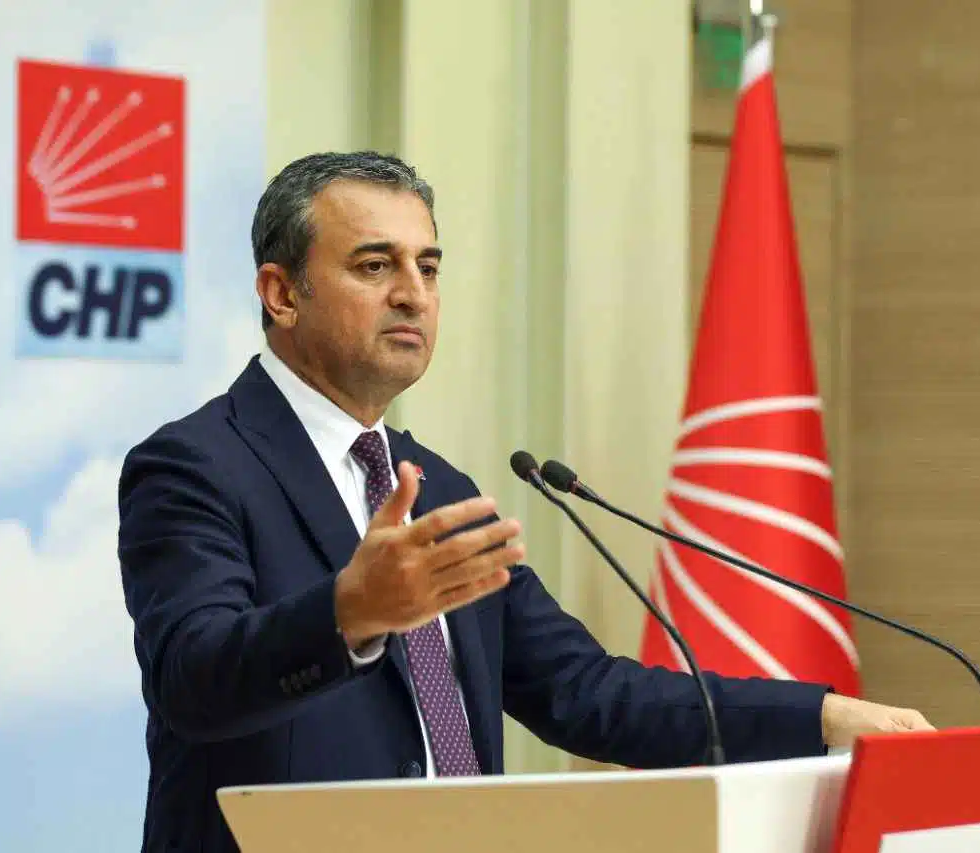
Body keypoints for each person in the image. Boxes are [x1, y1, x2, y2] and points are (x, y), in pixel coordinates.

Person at [117, 151, 933, 853]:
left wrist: (821, 716)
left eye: (428, 267)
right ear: (281, 293)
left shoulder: (440, 489)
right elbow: (192, 679)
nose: (413, 294)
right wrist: (349, 613)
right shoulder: (195, 467)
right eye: (374, 266)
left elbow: (588, 692)